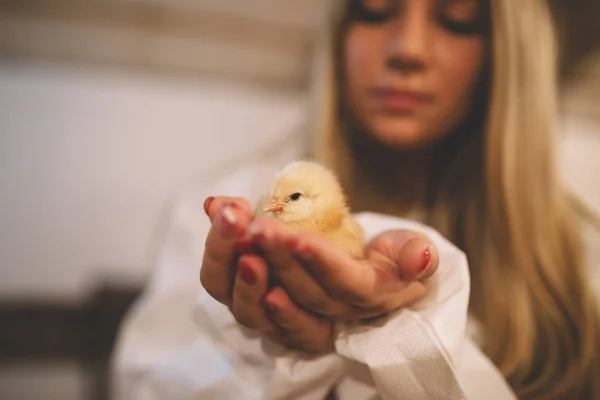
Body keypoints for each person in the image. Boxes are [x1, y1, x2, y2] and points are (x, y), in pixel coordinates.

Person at [111, 0, 600, 399]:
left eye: (457, 19)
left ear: (505, 53)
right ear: (339, 35)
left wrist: (397, 340)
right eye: (374, 11)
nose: (407, 49)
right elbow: (145, 382)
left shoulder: (578, 254)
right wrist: (262, 351)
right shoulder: (227, 210)